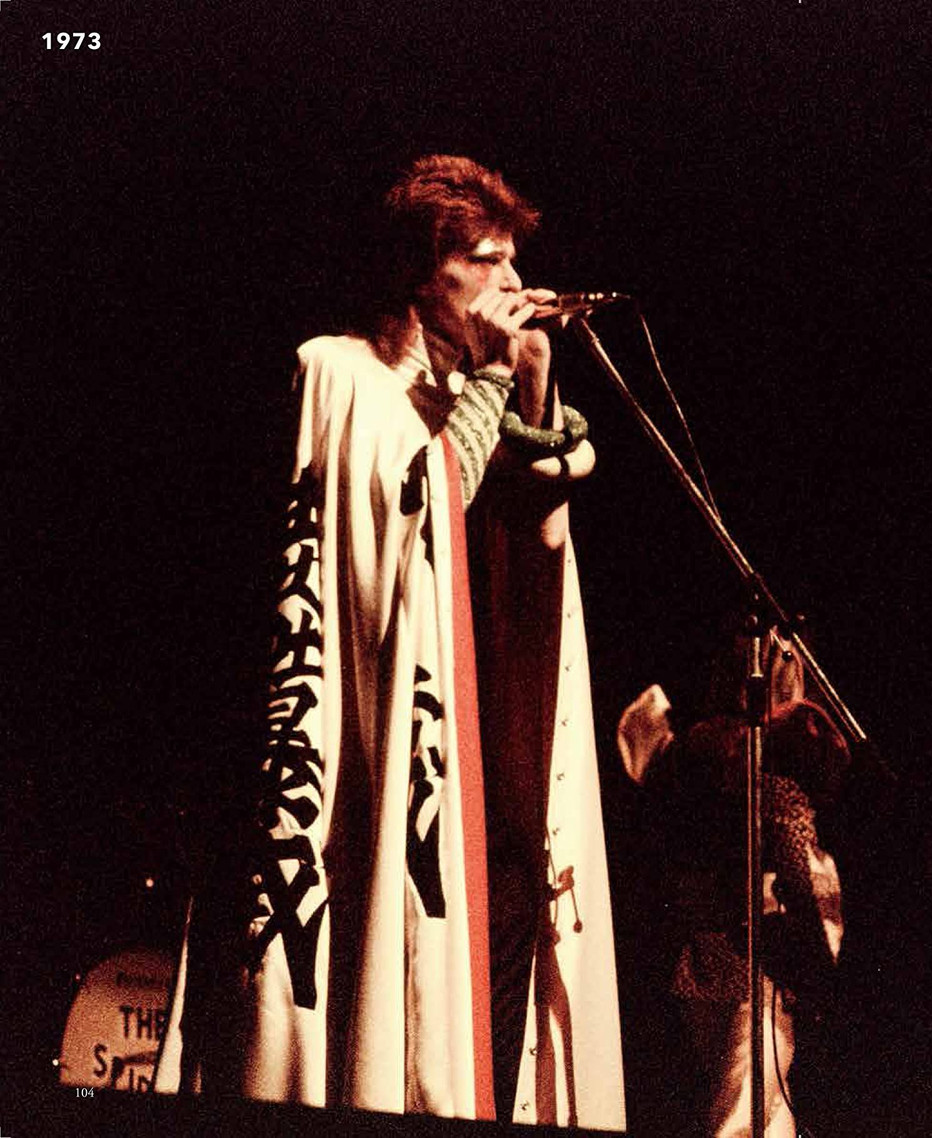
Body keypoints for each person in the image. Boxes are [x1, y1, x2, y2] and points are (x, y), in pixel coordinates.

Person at [155, 155, 625, 1130]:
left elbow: (528, 551)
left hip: (483, 774)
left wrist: (531, 391)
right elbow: (421, 505)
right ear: (420, 271)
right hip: (376, 775)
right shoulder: (342, 376)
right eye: (485, 259)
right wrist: (491, 381)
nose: (511, 282)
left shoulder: (469, 393)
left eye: (513, 260)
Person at [617, 633, 848, 1138]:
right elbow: (796, 869)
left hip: (703, 966)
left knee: (761, 1107)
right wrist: (814, 964)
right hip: (752, 969)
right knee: (745, 1112)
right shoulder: (769, 778)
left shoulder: (694, 760)